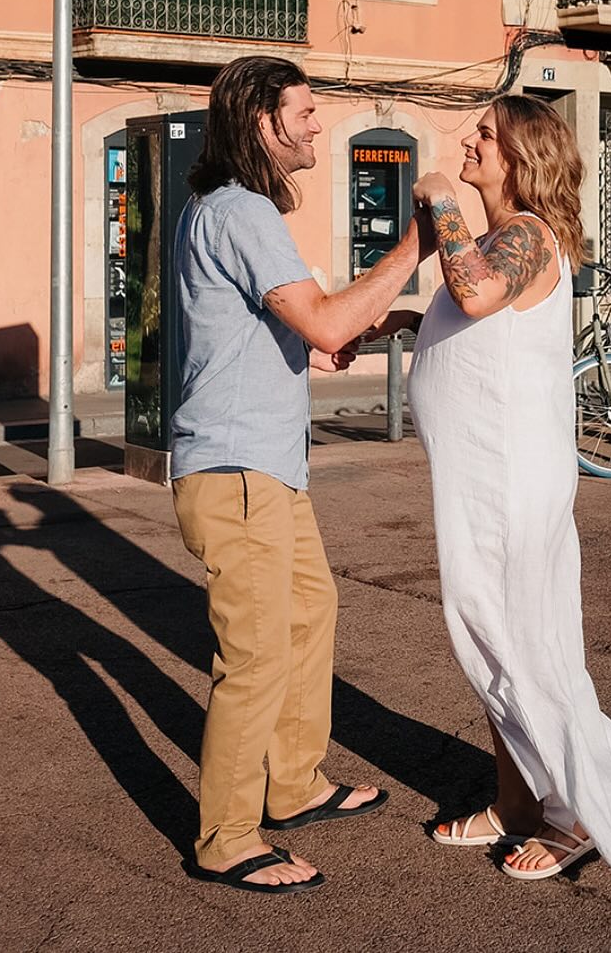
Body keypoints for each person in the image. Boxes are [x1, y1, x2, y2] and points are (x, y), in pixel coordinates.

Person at [378, 95, 611, 886]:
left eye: (487, 136)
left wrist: (437, 195)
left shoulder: (529, 235)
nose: (471, 140)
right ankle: (516, 801)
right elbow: (474, 321)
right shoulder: (507, 240)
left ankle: (580, 814)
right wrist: (402, 323)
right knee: (493, 643)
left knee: (526, 648)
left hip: (508, 484)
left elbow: (474, 294)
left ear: (519, 158)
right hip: (481, 481)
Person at [171, 55, 429, 897]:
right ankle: (228, 834)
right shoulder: (241, 209)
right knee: (252, 656)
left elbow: (305, 328)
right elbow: (320, 319)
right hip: (236, 468)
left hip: (266, 466)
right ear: (262, 121)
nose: (319, 123)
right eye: (306, 110)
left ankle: (293, 781)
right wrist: (415, 246)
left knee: (310, 610)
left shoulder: (234, 208)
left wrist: (364, 320)